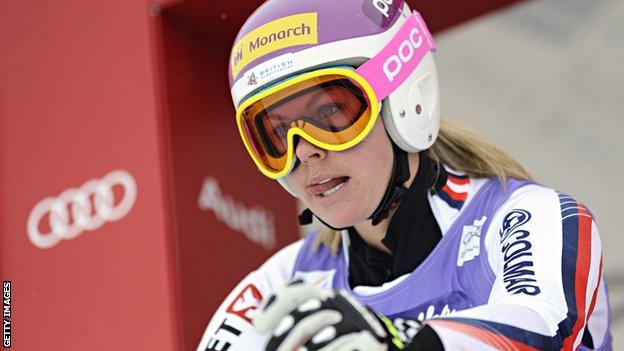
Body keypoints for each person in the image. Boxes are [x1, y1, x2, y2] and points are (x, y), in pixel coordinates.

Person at [197, 0, 612, 350]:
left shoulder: (527, 216)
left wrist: (395, 340)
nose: (305, 150)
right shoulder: (279, 284)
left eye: (330, 113)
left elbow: (546, 327)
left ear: (405, 101)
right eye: (277, 133)